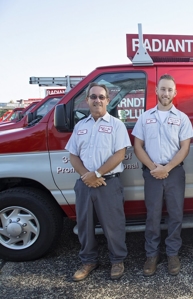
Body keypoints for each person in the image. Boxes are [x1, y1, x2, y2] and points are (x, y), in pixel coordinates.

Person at [66, 82, 130, 281]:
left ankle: (117, 261)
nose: (97, 100)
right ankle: (88, 261)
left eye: (101, 97)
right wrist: (88, 175)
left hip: (108, 183)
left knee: (114, 225)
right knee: (85, 225)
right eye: (93, 97)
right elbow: (73, 156)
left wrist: (98, 174)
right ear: (87, 100)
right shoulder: (80, 126)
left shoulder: (116, 125)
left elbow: (120, 155)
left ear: (107, 101)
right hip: (85, 183)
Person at [132, 74, 193, 276]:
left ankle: (172, 253)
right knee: (153, 216)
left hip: (174, 172)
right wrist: (153, 167)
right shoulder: (145, 117)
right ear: (156, 91)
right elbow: (137, 146)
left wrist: (166, 168)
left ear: (174, 93)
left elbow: (185, 148)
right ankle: (152, 255)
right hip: (151, 173)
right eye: (163, 89)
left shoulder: (181, 118)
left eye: (169, 90)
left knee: (176, 215)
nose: (166, 93)